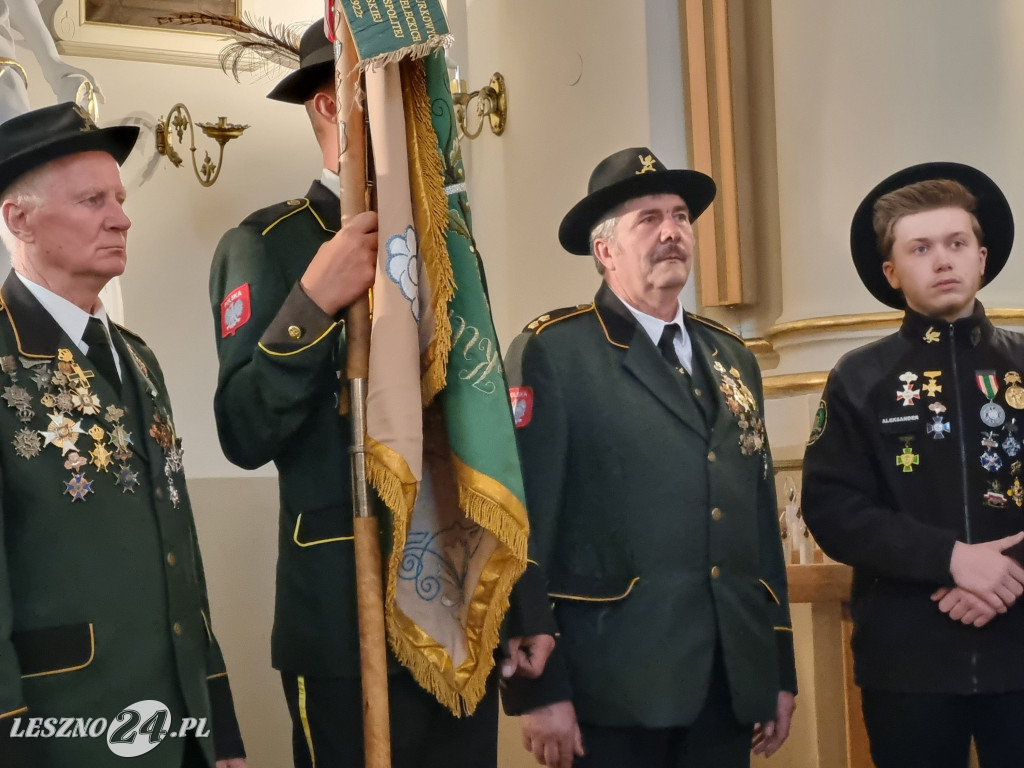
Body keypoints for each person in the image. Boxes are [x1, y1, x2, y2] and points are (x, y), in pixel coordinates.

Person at [209, 20, 556, 768]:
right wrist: (312, 299)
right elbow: (242, 430)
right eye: (400, 95)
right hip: (341, 614)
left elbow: (480, 425)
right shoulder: (269, 244)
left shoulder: (447, 247)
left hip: (460, 609)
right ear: (335, 104)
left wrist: (519, 603)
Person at [502, 147, 797, 768]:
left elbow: (757, 525)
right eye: (649, 219)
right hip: (611, 686)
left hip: (726, 681)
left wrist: (777, 666)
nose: (672, 232)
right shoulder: (555, 352)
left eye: (681, 216)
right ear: (604, 250)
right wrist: (537, 689)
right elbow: (516, 524)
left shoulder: (733, 358)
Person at [0, 102, 245, 767]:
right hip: (66, 730)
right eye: (91, 201)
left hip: (180, 726)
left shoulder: (138, 358)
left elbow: (180, 547)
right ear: (19, 218)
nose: (121, 217)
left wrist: (219, 721)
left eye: (119, 197)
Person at [802, 162, 1024, 768]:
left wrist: (1004, 572)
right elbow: (833, 509)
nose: (944, 260)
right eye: (920, 248)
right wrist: (951, 560)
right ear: (892, 272)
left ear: (983, 256)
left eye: (957, 243)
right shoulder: (860, 378)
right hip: (910, 659)